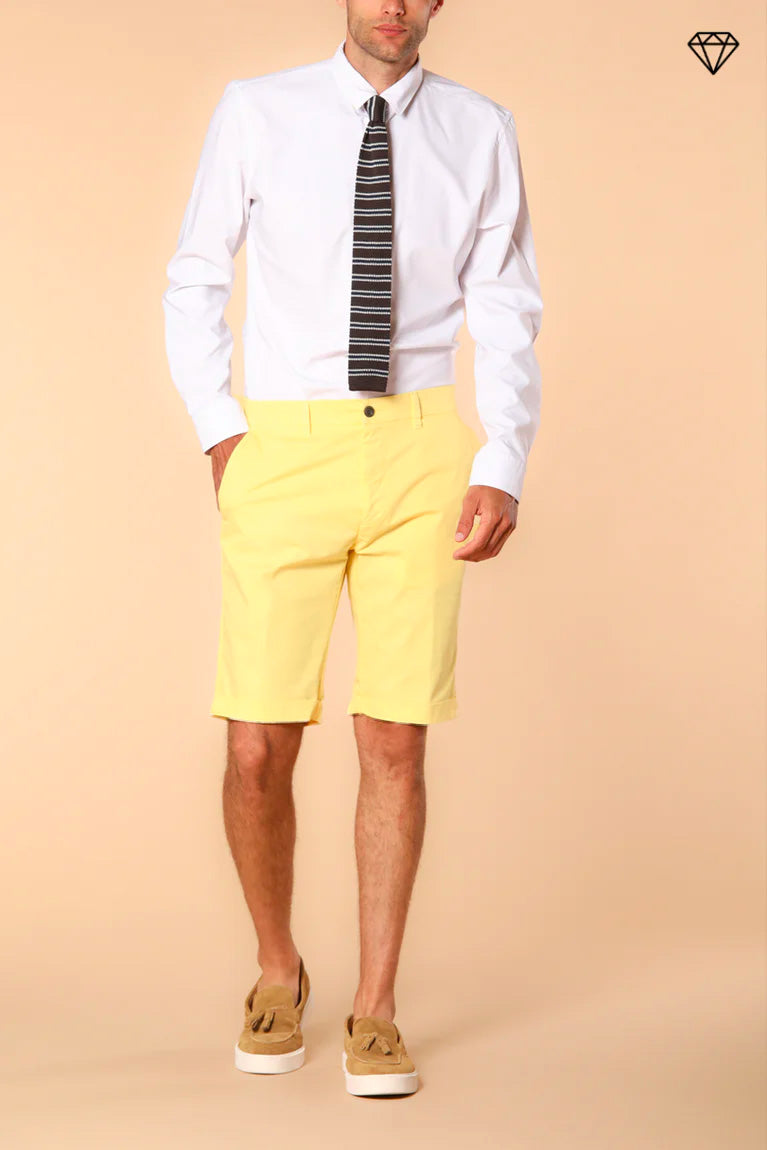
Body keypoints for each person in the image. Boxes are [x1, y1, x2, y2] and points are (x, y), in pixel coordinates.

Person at [161, 0, 542, 1097]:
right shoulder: (256, 110)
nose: (392, 6)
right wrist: (220, 426)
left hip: (421, 445)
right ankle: (277, 968)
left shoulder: (480, 128)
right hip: (283, 444)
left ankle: (375, 1009)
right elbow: (195, 275)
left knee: (395, 740)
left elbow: (504, 301)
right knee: (255, 742)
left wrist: (501, 456)